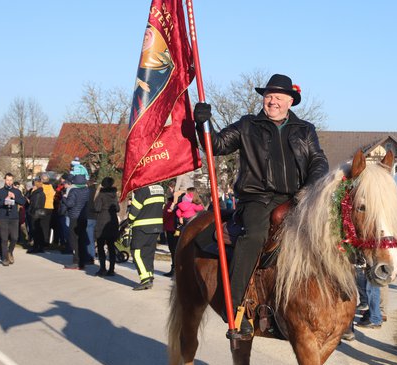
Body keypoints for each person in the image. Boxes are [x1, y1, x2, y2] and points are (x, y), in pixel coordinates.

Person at [193, 73, 329, 338]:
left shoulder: (305, 129)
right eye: (269, 96)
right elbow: (217, 145)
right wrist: (203, 125)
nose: (273, 101)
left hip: (296, 198)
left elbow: (318, 161)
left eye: (279, 97)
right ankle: (234, 307)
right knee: (254, 236)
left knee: (323, 238)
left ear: (291, 101)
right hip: (257, 198)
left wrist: (308, 190)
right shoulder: (247, 125)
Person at [129, 184, 165, 290]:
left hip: (142, 226)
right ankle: (149, 275)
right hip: (157, 226)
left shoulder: (143, 191)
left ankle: (145, 279)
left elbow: (134, 211)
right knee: (148, 252)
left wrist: (129, 220)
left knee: (136, 252)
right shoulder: (160, 189)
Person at [0, 173, 26, 266]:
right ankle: (5, 258)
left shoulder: (16, 191)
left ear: (13, 181)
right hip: (3, 217)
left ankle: (10, 252)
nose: (9, 182)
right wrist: (4, 201)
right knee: (4, 239)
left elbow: (23, 201)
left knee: (14, 238)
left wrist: (14, 197)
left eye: (11, 180)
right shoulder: (0, 192)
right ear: (5, 180)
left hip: (14, 217)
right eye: (7, 180)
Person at [60, 174, 89, 270]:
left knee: (74, 240)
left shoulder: (73, 191)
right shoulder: (87, 191)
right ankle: (82, 262)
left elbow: (70, 203)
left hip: (74, 217)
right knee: (82, 239)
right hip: (83, 217)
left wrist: (64, 197)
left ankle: (76, 261)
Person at [93, 177, 120, 277]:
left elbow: (97, 207)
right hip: (113, 221)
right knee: (111, 246)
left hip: (102, 221)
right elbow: (117, 208)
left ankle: (102, 268)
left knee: (100, 246)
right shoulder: (114, 195)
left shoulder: (101, 194)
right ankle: (111, 269)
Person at [162, 185, 179, 277]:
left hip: (171, 228)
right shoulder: (178, 203)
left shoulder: (171, 204)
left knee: (173, 250)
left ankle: (174, 269)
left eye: (170, 189)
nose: (169, 190)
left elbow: (165, 215)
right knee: (175, 250)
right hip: (176, 228)